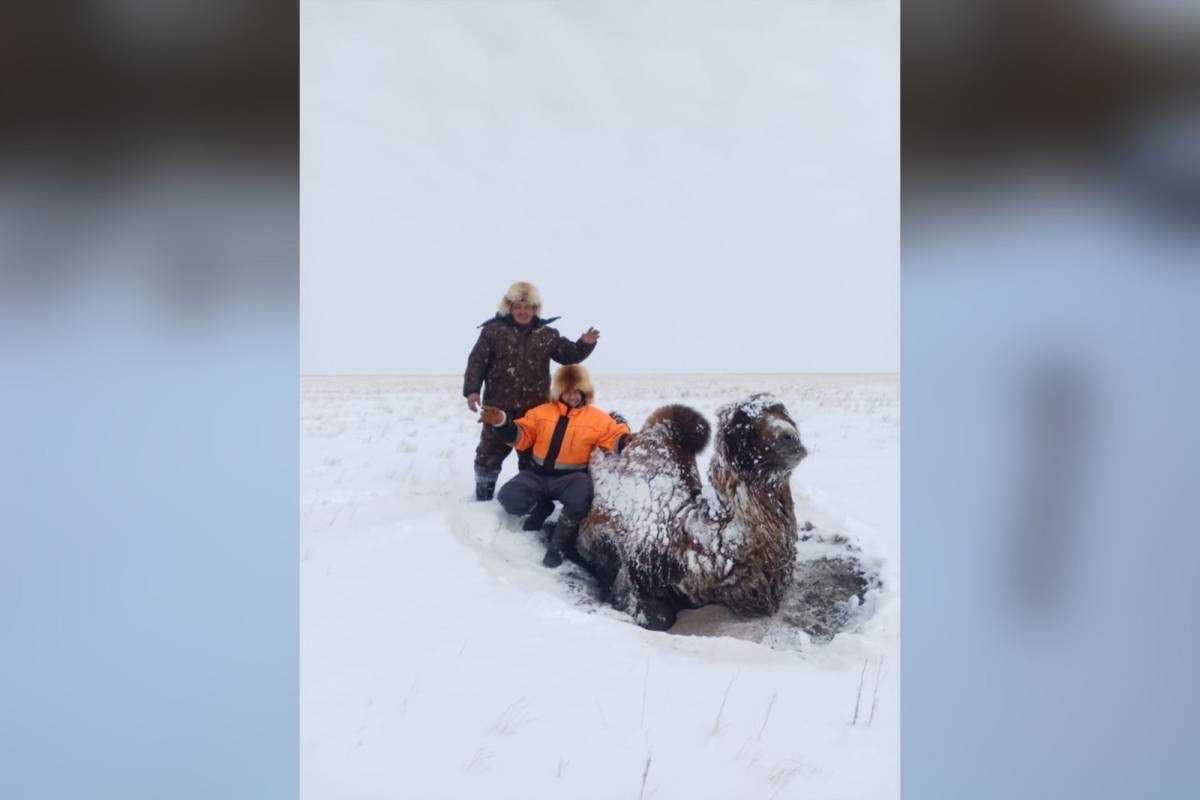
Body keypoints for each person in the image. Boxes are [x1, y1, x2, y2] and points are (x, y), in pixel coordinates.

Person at [479, 364, 632, 567]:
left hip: (571, 478)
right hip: (537, 475)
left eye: (577, 391)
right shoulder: (540, 412)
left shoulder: (597, 418)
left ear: (584, 392)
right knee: (508, 498)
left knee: (581, 498)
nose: (573, 396)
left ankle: (558, 546)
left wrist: (627, 440)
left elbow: (614, 435)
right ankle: (542, 507)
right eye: (567, 391)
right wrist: (501, 421)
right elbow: (521, 435)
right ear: (559, 392)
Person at [463, 281, 599, 501]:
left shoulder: (547, 334)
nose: (523, 311)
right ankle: (483, 499)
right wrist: (472, 390)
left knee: (532, 460)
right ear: (510, 307)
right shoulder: (493, 331)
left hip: (535, 412)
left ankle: (526, 502)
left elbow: (569, 355)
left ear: (535, 309)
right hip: (498, 409)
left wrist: (584, 343)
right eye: (518, 306)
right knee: (488, 455)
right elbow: (477, 362)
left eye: (528, 307)